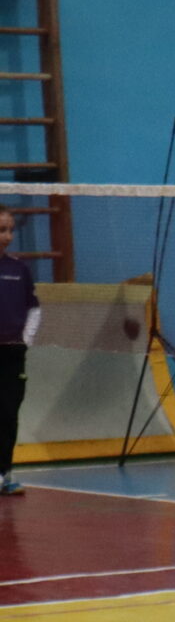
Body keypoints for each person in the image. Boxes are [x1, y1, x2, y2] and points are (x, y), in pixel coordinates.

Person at [0, 208, 33, 497]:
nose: (8, 236)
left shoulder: (19, 269)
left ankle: (4, 474)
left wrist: (26, 339)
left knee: (9, 413)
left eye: (11, 230)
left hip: (12, 354)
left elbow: (34, 308)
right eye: (2, 230)